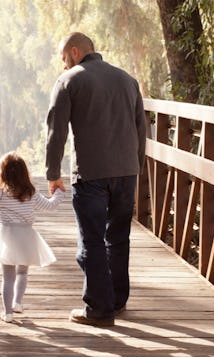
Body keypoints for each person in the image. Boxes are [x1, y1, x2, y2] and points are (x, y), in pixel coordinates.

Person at [45, 32, 147, 327]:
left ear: (75, 52)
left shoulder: (69, 80)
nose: (63, 65)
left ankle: (99, 310)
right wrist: (136, 167)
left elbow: (56, 133)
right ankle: (116, 299)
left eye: (64, 58)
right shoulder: (128, 80)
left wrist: (53, 174)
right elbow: (141, 130)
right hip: (126, 172)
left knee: (90, 240)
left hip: (91, 173)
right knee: (117, 237)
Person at [0, 152, 64, 323]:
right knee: (22, 272)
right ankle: (18, 303)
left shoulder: (1, 192)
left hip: (7, 237)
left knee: (8, 277)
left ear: (3, 173)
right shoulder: (31, 192)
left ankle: (7, 313)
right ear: (24, 173)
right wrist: (59, 192)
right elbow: (50, 205)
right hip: (27, 236)